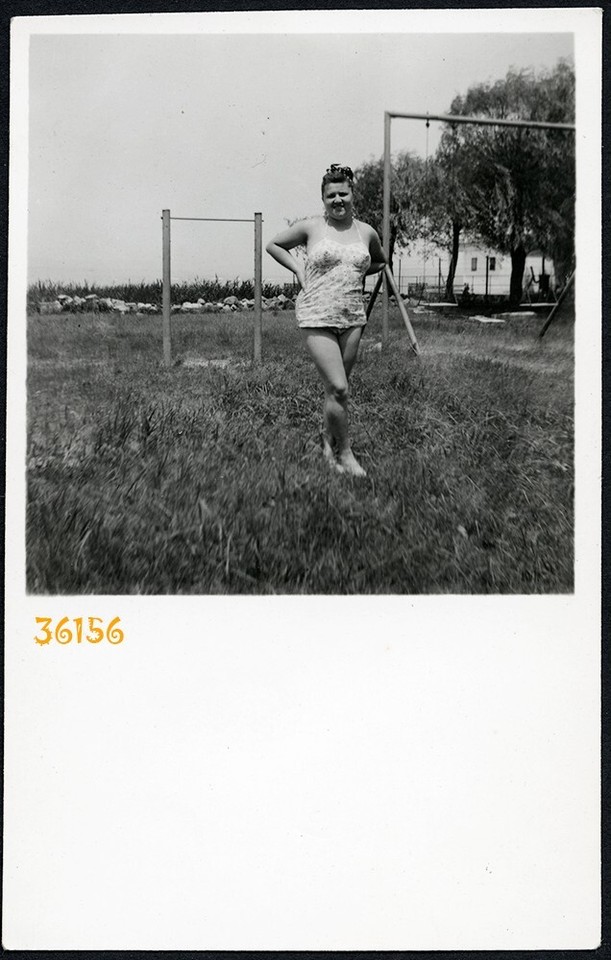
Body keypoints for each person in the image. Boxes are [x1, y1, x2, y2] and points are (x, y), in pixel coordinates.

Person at [266, 164, 386, 476]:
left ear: (352, 194)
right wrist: (298, 268)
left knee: (336, 391)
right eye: (330, 195)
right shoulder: (311, 228)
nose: (337, 200)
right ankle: (345, 454)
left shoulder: (367, 232)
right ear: (323, 199)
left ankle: (327, 446)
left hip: (352, 315)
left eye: (342, 193)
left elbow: (380, 261)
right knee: (339, 387)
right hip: (316, 312)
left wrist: (358, 271)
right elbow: (274, 245)